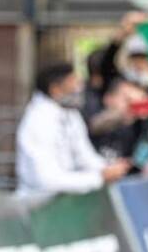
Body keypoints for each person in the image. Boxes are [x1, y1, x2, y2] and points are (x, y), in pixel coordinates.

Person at [16, 62, 131, 195]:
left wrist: (109, 168)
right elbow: (46, 180)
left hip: (66, 202)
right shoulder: (38, 121)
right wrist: (99, 178)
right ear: (55, 89)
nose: (80, 88)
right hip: (37, 205)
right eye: (74, 83)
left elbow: (84, 156)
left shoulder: (71, 114)